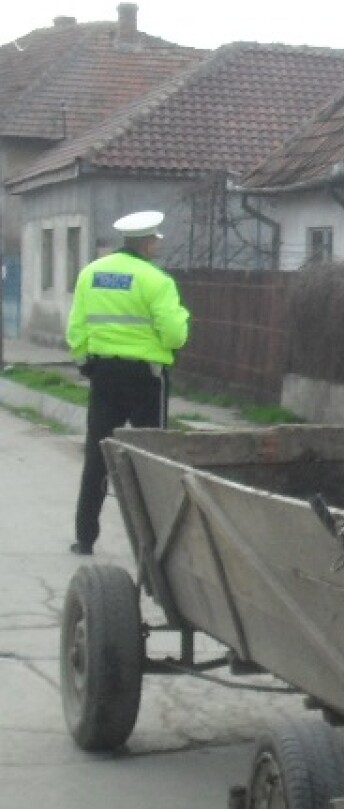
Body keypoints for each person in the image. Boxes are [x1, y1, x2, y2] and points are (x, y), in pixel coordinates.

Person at [66, 210, 190, 555]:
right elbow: (175, 335)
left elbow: (76, 327)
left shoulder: (90, 274)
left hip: (103, 374)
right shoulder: (156, 280)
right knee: (152, 456)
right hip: (147, 378)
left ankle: (85, 538)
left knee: (97, 454)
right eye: (156, 241)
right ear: (148, 243)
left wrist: (85, 364)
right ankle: (156, 543)